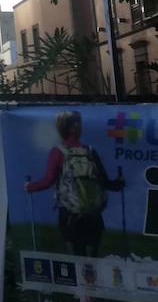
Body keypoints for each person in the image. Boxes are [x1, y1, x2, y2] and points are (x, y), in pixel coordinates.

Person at [25, 110, 125, 257]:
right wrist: (119, 182)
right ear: (75, 127)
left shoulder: (58, 151)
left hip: (70, 215)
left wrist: (29, 186)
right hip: (93, 214)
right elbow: (105, 183)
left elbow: (48, 181)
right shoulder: (89, 151)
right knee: (93, 261)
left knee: (76, 263)